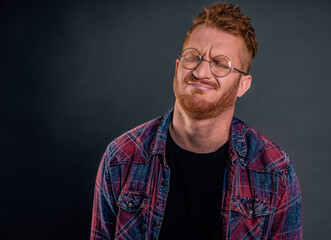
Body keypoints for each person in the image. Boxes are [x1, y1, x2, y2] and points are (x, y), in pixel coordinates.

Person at [90, 3, 302, 240]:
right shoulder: (121, 158)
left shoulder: (274, 170)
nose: (201, 72)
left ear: (243, 84)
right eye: (194, 57)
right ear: (178, 67)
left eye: (221, 64)